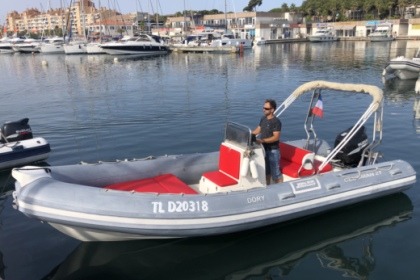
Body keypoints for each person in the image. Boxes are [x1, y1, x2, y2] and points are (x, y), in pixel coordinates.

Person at [252, 99, 283, 184]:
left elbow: (276, 137)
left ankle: (280, 188)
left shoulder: (276, 122)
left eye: (266, 108)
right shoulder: (263, 119)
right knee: (266, 172)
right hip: (264, 150)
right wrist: (249, 134)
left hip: (273, 151)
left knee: (275, 174)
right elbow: (258, 129)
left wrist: (262, 140)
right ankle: (268, 186)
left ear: (272, 110)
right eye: (263, 108)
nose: (264, 109)